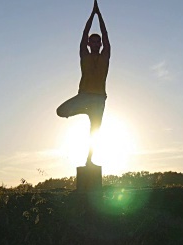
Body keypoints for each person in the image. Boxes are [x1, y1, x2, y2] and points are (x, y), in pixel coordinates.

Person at [56, 0, 110, 166]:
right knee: (61, 111)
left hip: (99, 99)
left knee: (95, 132)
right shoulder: (84, 56)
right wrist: (91, 15)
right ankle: (84, 111)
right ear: (88, 44)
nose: (95, 44)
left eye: (97, 42)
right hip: (85, 97)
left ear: (100, 44)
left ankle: (89, 160)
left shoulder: (105, 57)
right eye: (92, 42)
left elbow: (106, 35)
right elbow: (84, 34)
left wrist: (99, 15)